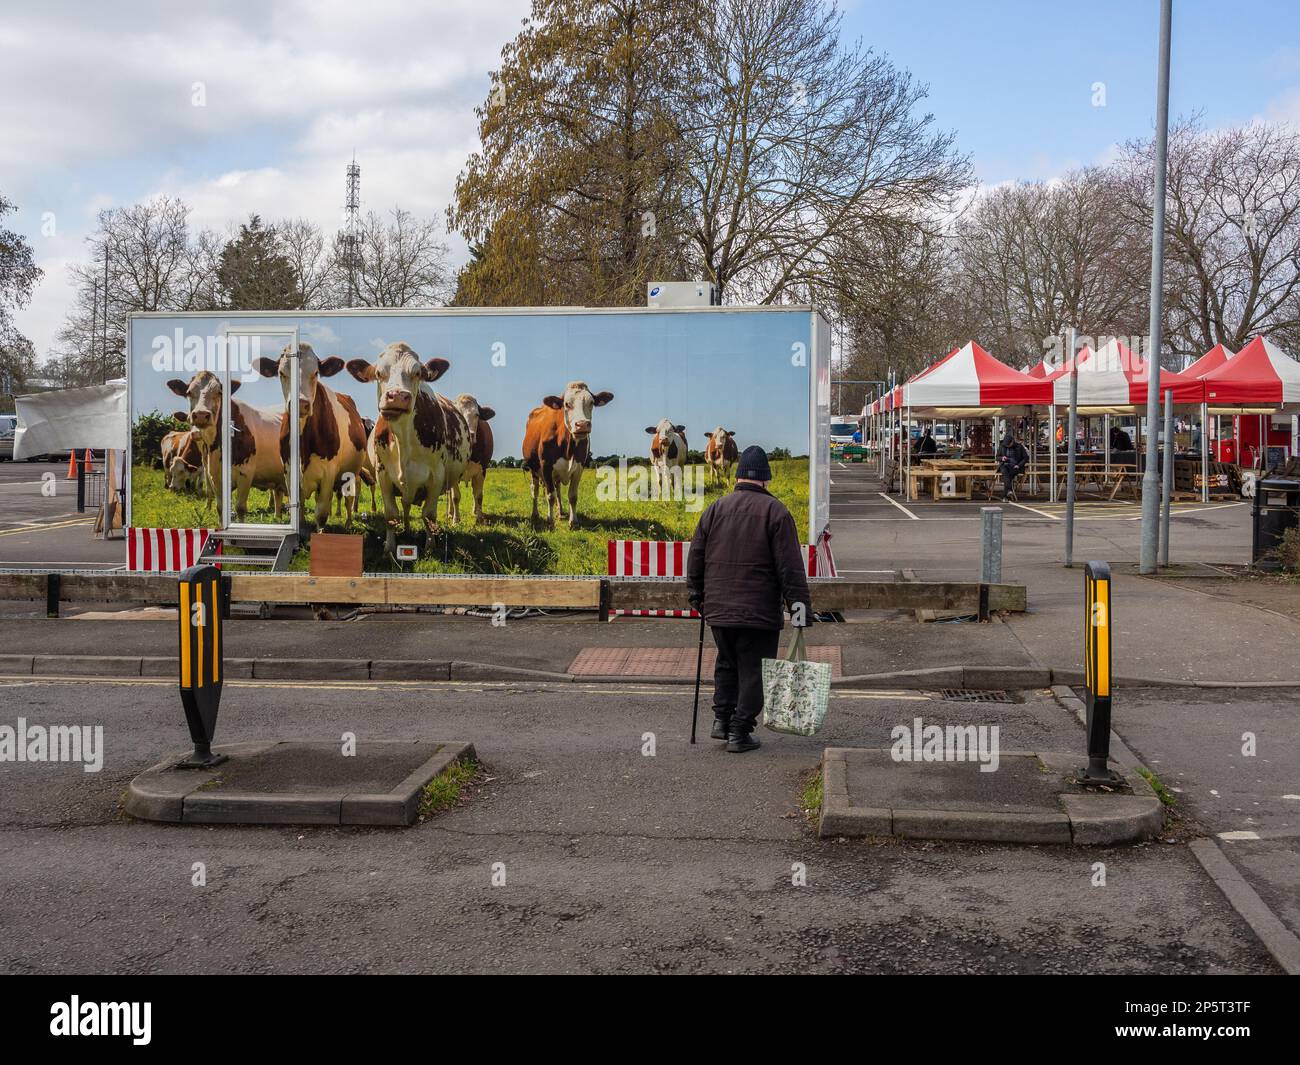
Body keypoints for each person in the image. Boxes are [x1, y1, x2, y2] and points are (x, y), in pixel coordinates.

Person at [686, 446, 812, 754]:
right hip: (758, 611)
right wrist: (800, 607)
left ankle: (721, 721)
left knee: (727, 664)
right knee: (754, 670)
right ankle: (739, 732)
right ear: (766, 480)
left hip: (718, 609)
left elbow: (696, 557)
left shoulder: (715, 509)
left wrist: (697, 597)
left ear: (738, 476)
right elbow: (790, 567)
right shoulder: (777, 512)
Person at [996, 429, 1029, 499]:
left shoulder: (1019, 446)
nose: (1007, 446)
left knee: (1008, 476)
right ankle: (1010, 490)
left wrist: (1019, 465)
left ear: (1012, 441)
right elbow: (997, 457)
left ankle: (1005, 496)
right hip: (1004, 464)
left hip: (1015, 466)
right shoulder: (1002, 446)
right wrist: (1002, 458)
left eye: (1009, 445)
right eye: (1006, 445)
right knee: (1005, 473)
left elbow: (1025, 458)